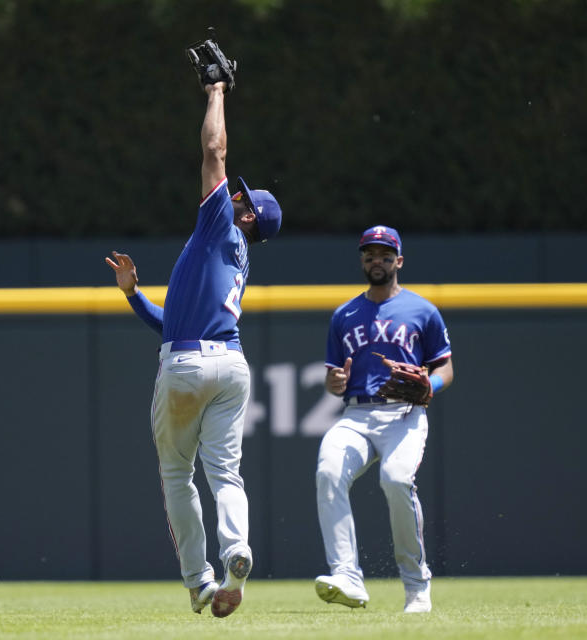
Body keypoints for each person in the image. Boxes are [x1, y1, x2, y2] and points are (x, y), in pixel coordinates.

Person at [105, 79, 282, 618]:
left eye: (241, 198)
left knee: (177, 474)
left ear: (247, 216)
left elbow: (213, 149)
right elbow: (172, 323)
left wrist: (217, 91)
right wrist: (135, 297)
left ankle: (199, 582)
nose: (232, 194)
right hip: (230, 364)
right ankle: (237, 549)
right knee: (226, 474)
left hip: (186, 365)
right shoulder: (236, 256)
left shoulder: (218, 223)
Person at [315, 225, 453, 614]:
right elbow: (331, 381)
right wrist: (334, 381)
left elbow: (445, 366)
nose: (377, 260)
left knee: (395, 480)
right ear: (362, 260)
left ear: (400, 261)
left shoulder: (422, 310)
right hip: (356, 412)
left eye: (385, 254)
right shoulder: (344, 314)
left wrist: (432, 386)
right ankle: (347, 576)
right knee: (328, 472)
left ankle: (416, 586)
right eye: (369, 254)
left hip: (404, 414)